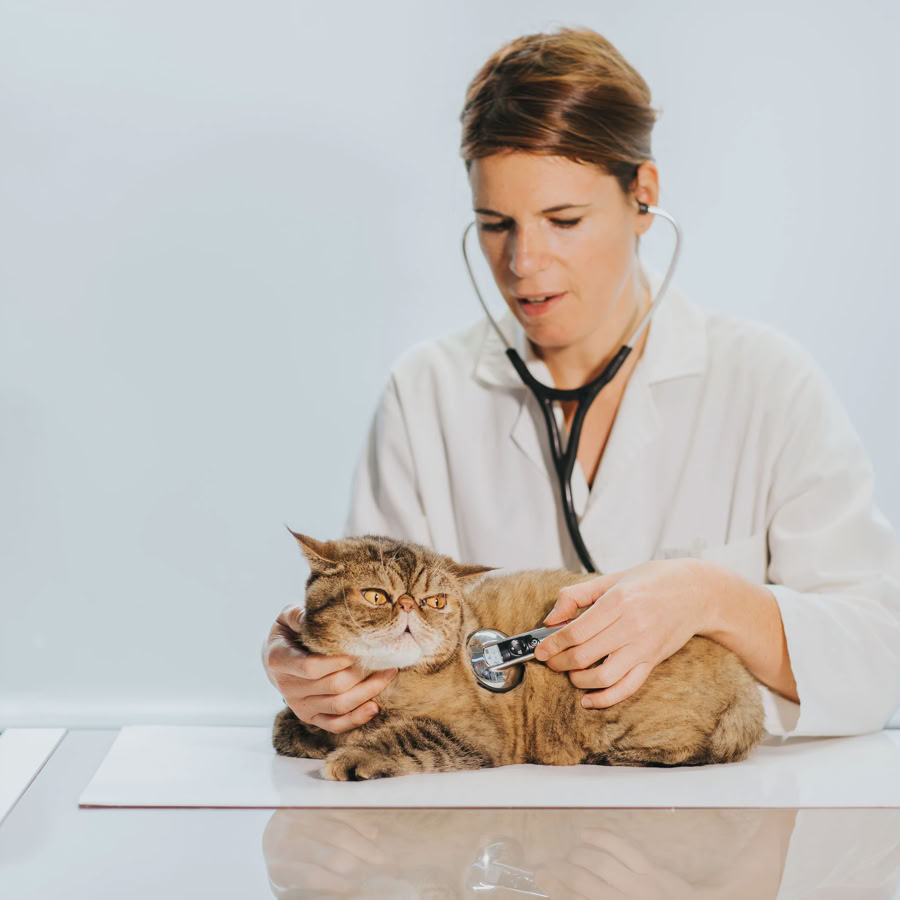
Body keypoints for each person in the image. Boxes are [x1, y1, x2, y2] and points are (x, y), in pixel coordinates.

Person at [263, 26, 900, 741]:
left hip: (717, 821)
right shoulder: (428, 392)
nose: (524, 262)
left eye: (563, 220)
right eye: (495, 224)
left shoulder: (767, 382)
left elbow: (878, 662)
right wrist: (315, 673)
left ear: (643, 198)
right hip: (481, 836)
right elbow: (376, 646)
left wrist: (712, 598)